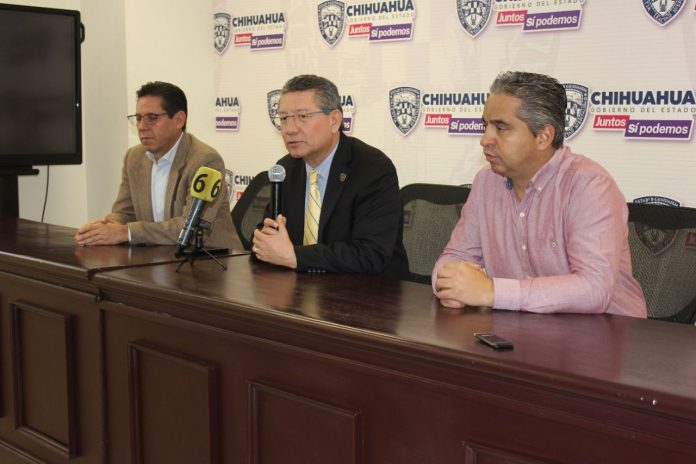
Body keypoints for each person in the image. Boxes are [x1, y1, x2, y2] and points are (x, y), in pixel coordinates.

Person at [432, 71, 647, 317]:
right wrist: (450, 284)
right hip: (521, 327)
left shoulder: (589, 185)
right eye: (485, 126)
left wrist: (492, 292)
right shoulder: (486, 182)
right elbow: (455, 257)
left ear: (544, 137)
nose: (485, 139)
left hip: (607, 330)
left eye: (501, 128)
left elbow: (594, 288)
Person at [251, 74, 408, 278]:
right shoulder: (286, 169)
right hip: (303, 288)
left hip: (369, 290)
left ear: (334, 120)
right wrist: (265, 241)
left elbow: (370, 254)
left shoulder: (372, 168)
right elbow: (265, 239)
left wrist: (294, 256)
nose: (289, 129)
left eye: (302, 116)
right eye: (284, 118)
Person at [75, 81, 234, 248]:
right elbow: (124, 213)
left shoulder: (205, 160)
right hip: (157, 256)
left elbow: (190, 228)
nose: (142, 127)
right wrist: (104, 226)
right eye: (138, 118)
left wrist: (125, 232)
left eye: (151, 118)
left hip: (207, 257)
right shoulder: (134, 158)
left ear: (179, 120)